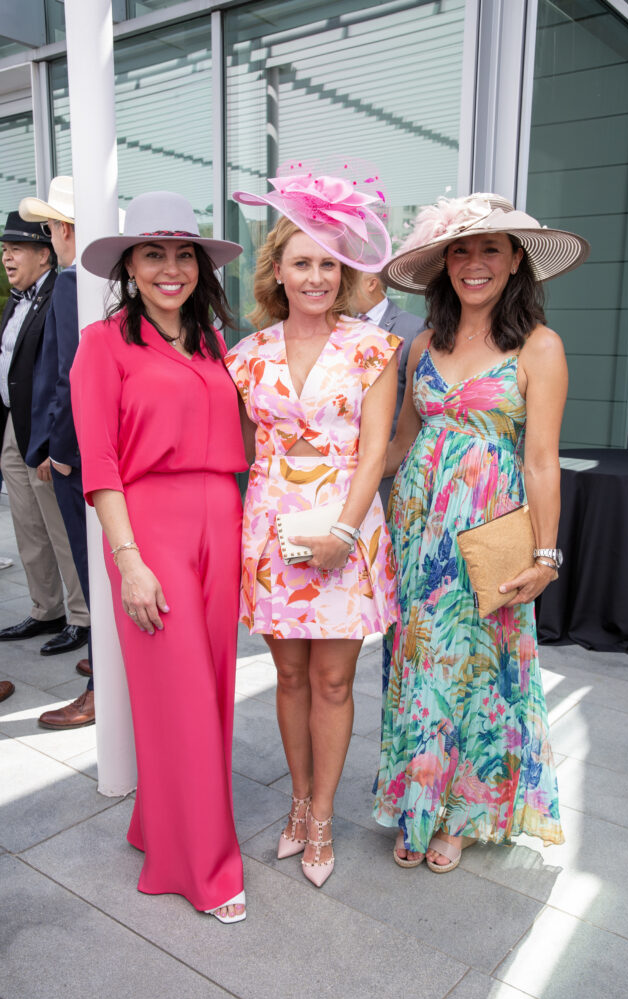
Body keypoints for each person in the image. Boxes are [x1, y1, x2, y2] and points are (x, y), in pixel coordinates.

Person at [372, 193, 589, 870]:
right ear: (442, 265)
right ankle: (417, 799)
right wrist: (317, 489)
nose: (473, 263)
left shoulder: (539, 346)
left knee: (480, 672)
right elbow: (398, 446)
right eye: (459, 250)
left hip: (489, 531)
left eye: (489, 248)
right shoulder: (419, 347)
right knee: (417, 667)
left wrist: (546, 554)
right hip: (416, 530)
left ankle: (461, 813)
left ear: (514, 258)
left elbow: (540, 458)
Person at [70, 191, 247, 922]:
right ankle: (202, 868)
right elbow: (100, 461)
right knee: (175, 695)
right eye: (154, 254)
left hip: (223, 521)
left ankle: (157, 824)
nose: (170, 268)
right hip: (151, 529)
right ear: (130, 267)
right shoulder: (102, 342)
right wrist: (128, 558)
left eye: (184, 255)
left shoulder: (209, 342)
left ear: (201, 269)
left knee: (207, 693)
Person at [227, 166, 399, 887]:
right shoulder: (245, 356)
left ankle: (323, 814)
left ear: (346, 270)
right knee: (288, 678)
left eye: (329, 262)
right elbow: (244, 454)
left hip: (345, 527)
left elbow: (374, 455)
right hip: (271, 529)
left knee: (331, 681)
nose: (317, 275)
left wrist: (345, 534)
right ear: (279, 271)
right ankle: (297, 802)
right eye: (302, 262)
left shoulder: (372, 348)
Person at [20, 177, 95, 727]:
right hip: (104, 450)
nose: (49, 236)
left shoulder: (73, 284)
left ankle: (103, 687)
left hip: (80, 454)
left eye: (49, 227)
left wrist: (61, 450)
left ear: (65, 229)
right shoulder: (110, 280)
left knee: (94, 574)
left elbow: (73, 377)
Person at [0, 213, 89, 653]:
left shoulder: (64, 290)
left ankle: (81, 617)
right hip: (13, 425)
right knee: (27, 525)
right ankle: (45, 608)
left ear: (44, 252)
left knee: (59, 525)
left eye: (16, 248)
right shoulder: (17, 298)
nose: (7, 256)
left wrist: (56, 440)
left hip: (45, 428)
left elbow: (63, 371)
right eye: (4, 248)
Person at [351, 271, 425, 508]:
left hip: (390, 470)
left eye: (347, 279)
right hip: (341, 471)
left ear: (371, 283)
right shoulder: (339, 326)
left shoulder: (415, 329)